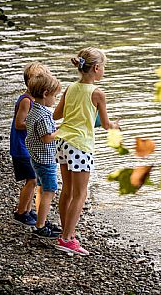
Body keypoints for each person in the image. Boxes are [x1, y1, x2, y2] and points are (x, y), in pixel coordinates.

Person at [53, 47, 119, 255]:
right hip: (80, 146)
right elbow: (107, 125)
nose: (104, 71)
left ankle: (66, 233)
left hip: (63, 143)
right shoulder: (98, 93)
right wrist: (114, 126)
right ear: (97, 68)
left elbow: (57, 115)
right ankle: (67, 239)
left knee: (67, 191)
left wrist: (84, 116)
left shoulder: (70, 88)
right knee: (81, 194)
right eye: (104, 68)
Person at [10, 62, 50, 226]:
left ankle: (27, 209)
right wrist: (35, 123)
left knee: (33, 179)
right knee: (32, 180)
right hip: (22, 148)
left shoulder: (35, 100)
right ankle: (21, 212)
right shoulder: (26, 101)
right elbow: (19, 123)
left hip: (28, 147)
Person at [25, 72, 62, 238]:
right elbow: (47, 138)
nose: (55, 100)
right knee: (50, 190)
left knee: (41, 189)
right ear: (46, 94)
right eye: (55, 96)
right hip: (46, 160)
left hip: (36, 158)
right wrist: (62, 131)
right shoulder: (44, 114)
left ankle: (41, 219)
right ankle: (40, 226)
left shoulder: (33, 109)